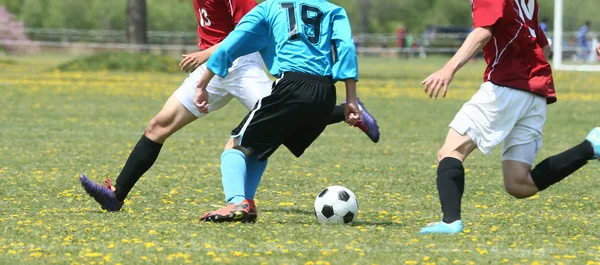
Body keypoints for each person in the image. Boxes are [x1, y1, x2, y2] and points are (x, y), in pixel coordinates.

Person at [78, 0, 379, 212]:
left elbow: (244, 34)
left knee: (272, 128)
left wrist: (206, 54)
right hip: (215, 68)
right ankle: (116, 195)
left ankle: (346, 112)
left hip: (243, 65)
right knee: (159, 125)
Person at [420, 0, 599, 234]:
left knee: (451, 151)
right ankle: (591, 146)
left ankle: (450, 221)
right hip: (534, 94)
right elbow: (543, 48)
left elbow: (483, 31)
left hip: (506, 88)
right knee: (519, 184)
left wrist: (448, 69)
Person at [195, 0, 360, 222]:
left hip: (291, 86)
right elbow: (346, 48)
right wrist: (351, 99)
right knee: (258, 147)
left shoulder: (269, 7)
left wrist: (201, 84)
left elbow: (231, 44)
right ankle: (247, 205)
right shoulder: (333, 10)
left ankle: (235, 202)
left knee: (235, 145)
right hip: (325, 93)